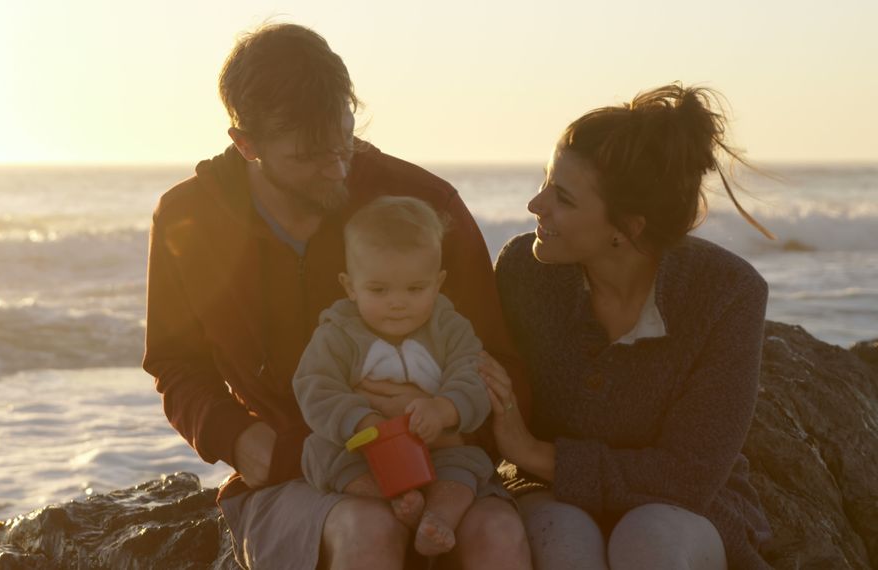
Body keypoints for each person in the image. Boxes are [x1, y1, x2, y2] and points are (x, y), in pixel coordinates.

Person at [143, 22, 531, 569]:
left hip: (440, 457)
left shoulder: (423, 204)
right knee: (367, 529)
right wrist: (240, 440)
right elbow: (175, 363)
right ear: (246, 143)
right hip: (302, 467)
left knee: (498, 533)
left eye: (342, 140)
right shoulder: (191, 218)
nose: (336, 167)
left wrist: (450, 418)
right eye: (307, 157)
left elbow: (499, 359)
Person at [482, 84, 775, 569]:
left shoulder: (726, 293)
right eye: (545, 181)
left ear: (628, 227)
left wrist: (532, 452)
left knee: (648, 541)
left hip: (683, 512)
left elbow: (689, 474)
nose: (536, 205)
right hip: (547, 495)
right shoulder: (522, 270)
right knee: (565, 541)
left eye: (564, 198)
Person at [293, 196, 505, 558]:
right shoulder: (338, 334)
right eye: (379, 290)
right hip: (358, 450)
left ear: (437, 284)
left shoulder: (450, 328)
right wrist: (362, 420)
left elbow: (472, 374)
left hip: (437, 449)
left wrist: (443, 409)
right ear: (350, 286)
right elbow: (315, 386)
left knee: (466, 469)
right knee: (324, 456)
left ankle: (436, 517)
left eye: (414, 289)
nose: (398, 302)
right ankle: (388, 496)